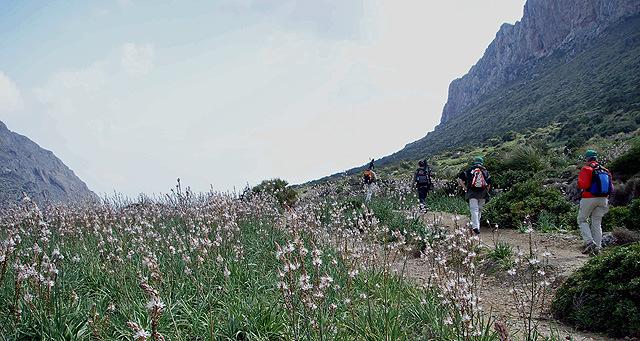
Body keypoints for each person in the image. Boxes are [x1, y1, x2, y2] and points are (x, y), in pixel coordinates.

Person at [577, 149, 613, 255]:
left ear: (587, 159)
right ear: (596, 158)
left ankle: (589, 242)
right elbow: (612, 188)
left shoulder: (587, 169)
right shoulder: (606, 170)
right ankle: (598, 248)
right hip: (604, 199)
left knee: (582, 220)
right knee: (597, 223)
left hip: (589, 198)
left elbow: (583, 185)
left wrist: (579, 183)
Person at [457, 156, 492, 235]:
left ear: (474, 162)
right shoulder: (485, 171)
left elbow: (460, 179)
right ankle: (477, 226)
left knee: (474, 210)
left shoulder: (469, 170)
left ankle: (476, 227)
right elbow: (489, 183)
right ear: (482, 162)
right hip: (483, 193)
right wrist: (487, 191)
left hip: (472, 193)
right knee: (479, 210)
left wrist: (465, 188)